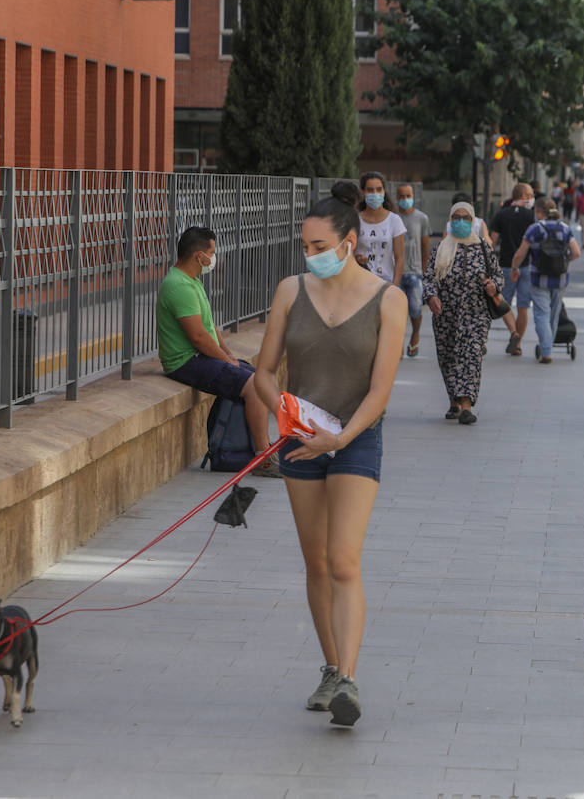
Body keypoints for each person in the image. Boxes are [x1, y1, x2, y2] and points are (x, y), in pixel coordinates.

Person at [252, 182, 406, 727]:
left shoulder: (389, 299)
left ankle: (349, 681)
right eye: (305, 246)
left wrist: (340, 437)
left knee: (343, 559)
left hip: (356, 438)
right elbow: (264, 372)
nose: (309, 256)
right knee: (315, 561)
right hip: (300, 441)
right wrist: (287, 415)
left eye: (319, 246)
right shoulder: (290, 292)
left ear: (349, 242)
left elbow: (381, 390)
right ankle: (330, 665)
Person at [157, 226, 280, 478]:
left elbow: (209, 326)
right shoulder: (179, 286)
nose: (214, 258)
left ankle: (265, 446)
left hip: (200, 357)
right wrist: (226, 361)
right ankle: (262, 457)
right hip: (185, 362)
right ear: (199, 256)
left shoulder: (192, 282)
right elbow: (199, 338)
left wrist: (229, 355)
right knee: (255, 386)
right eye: (212, 253)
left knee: (263, 379)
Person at [423, 202, 501, 425]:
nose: (460, 221)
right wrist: (431, 296)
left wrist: (493, 286)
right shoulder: (440, 249)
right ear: (450, 220)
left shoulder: (483, 248)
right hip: (445, 314)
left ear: (473, 221)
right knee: (448, 357)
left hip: (476, 314)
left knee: (470, 355)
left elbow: (498, 275)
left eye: (466, 218)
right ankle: (454, 402)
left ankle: (466, 405)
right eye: (456, 217)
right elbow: (428, 278)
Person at [511, 197, 581, 363]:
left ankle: (546, 351)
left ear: (539, 212)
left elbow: (521, 253)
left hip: (539, 278)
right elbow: (576, 253)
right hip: (560, 279)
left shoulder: (534, 229)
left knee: (541, 314)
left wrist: (515, 267)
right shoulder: (564, 228)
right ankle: (546, 347)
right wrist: (564, 262)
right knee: (554, 315)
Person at [491, 183, 536, 355]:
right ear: (523, 195)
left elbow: (493, 240)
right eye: (530, 194)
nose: (532, 197)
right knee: (523, 306)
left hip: (506, 265)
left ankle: (514, 333)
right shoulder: (531, 216)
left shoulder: (501, 214)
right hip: (526, 265)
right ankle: (517, 344)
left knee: (504, 302)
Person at [395, 182, 431, 358]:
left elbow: (425, 246)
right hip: (396, 271)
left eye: (407, 196)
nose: (405, 199)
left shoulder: (422, 218)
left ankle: (415, 334)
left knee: (416, 308)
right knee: (397, 311)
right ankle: (398, 343)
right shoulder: (392, 218)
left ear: (413, 197)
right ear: (396, 198)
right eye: (401, 196)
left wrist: (424, 272)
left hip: (415, 271)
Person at [357, 172, 406, 288]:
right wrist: (357, 259)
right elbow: (348, 254)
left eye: (379, 189)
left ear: (384, 191)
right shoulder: (355, 220)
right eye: (370, 190)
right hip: (360, 284)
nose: (375, 193)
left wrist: (395, 286)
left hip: (386, 284)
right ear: (363, 192)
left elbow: (400, 258)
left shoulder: (394, 220)